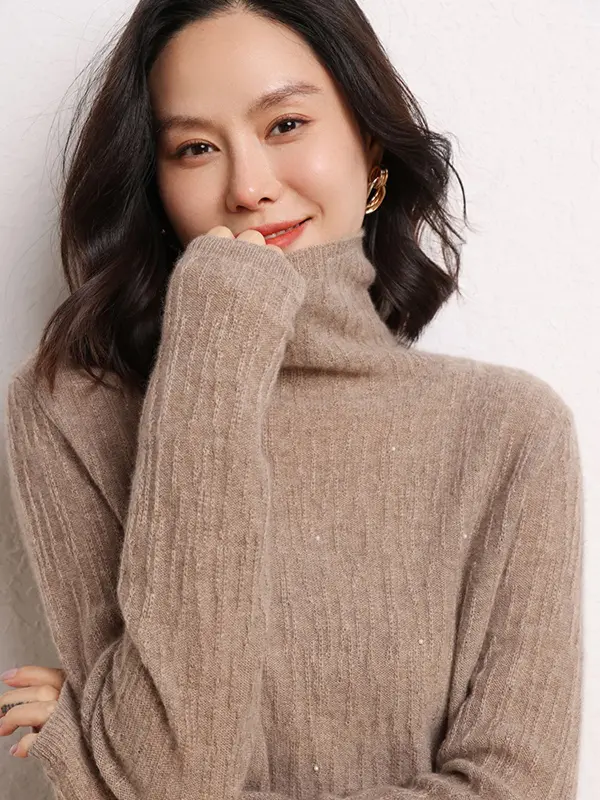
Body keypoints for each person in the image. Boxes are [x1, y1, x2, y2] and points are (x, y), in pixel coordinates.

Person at [1, 1, 583, 799]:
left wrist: (100, 772)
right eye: (196, 148)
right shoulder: (70, 411)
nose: (248, 187)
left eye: (285, 125)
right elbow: (171, 770)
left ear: (369, 143)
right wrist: (213, 352)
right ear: (156, 182)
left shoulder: (509, 432)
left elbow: (516, 787)